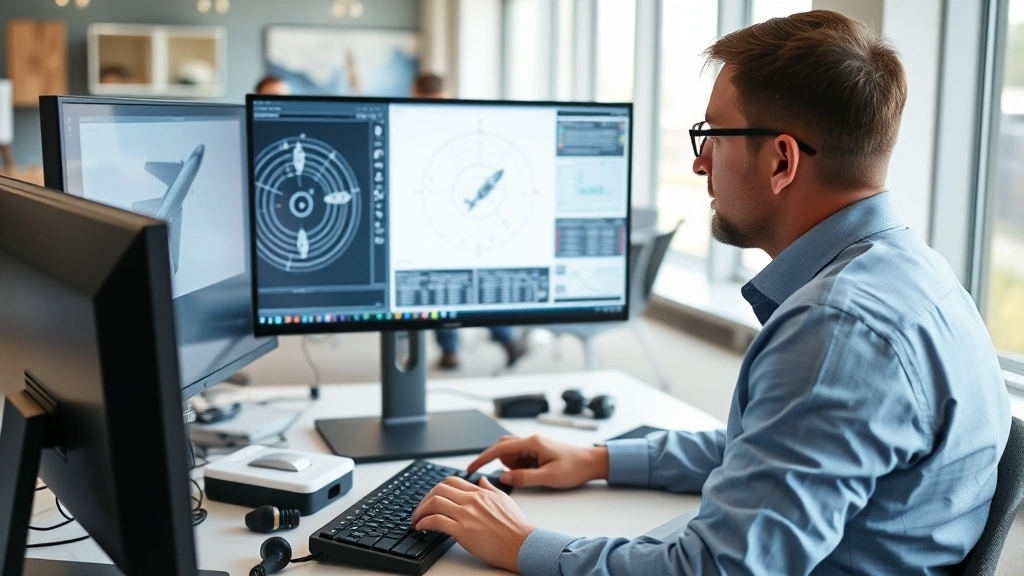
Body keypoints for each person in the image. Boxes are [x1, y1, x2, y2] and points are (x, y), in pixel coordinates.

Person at [410, 10, 1012, 575]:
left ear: (782, 161)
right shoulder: (914, 273)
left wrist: (524, 545)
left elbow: (716, 568)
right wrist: (599, 459)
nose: (700, 164)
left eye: (713, 135)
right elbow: (777, 447)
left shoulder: (839, 328)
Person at [410, 71, 528, 370]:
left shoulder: (413, 120)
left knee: (444, 286)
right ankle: (503, 340)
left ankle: (453, 351)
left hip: (447, 215)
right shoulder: (459, 118)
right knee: (465, 287)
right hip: (447, 216)